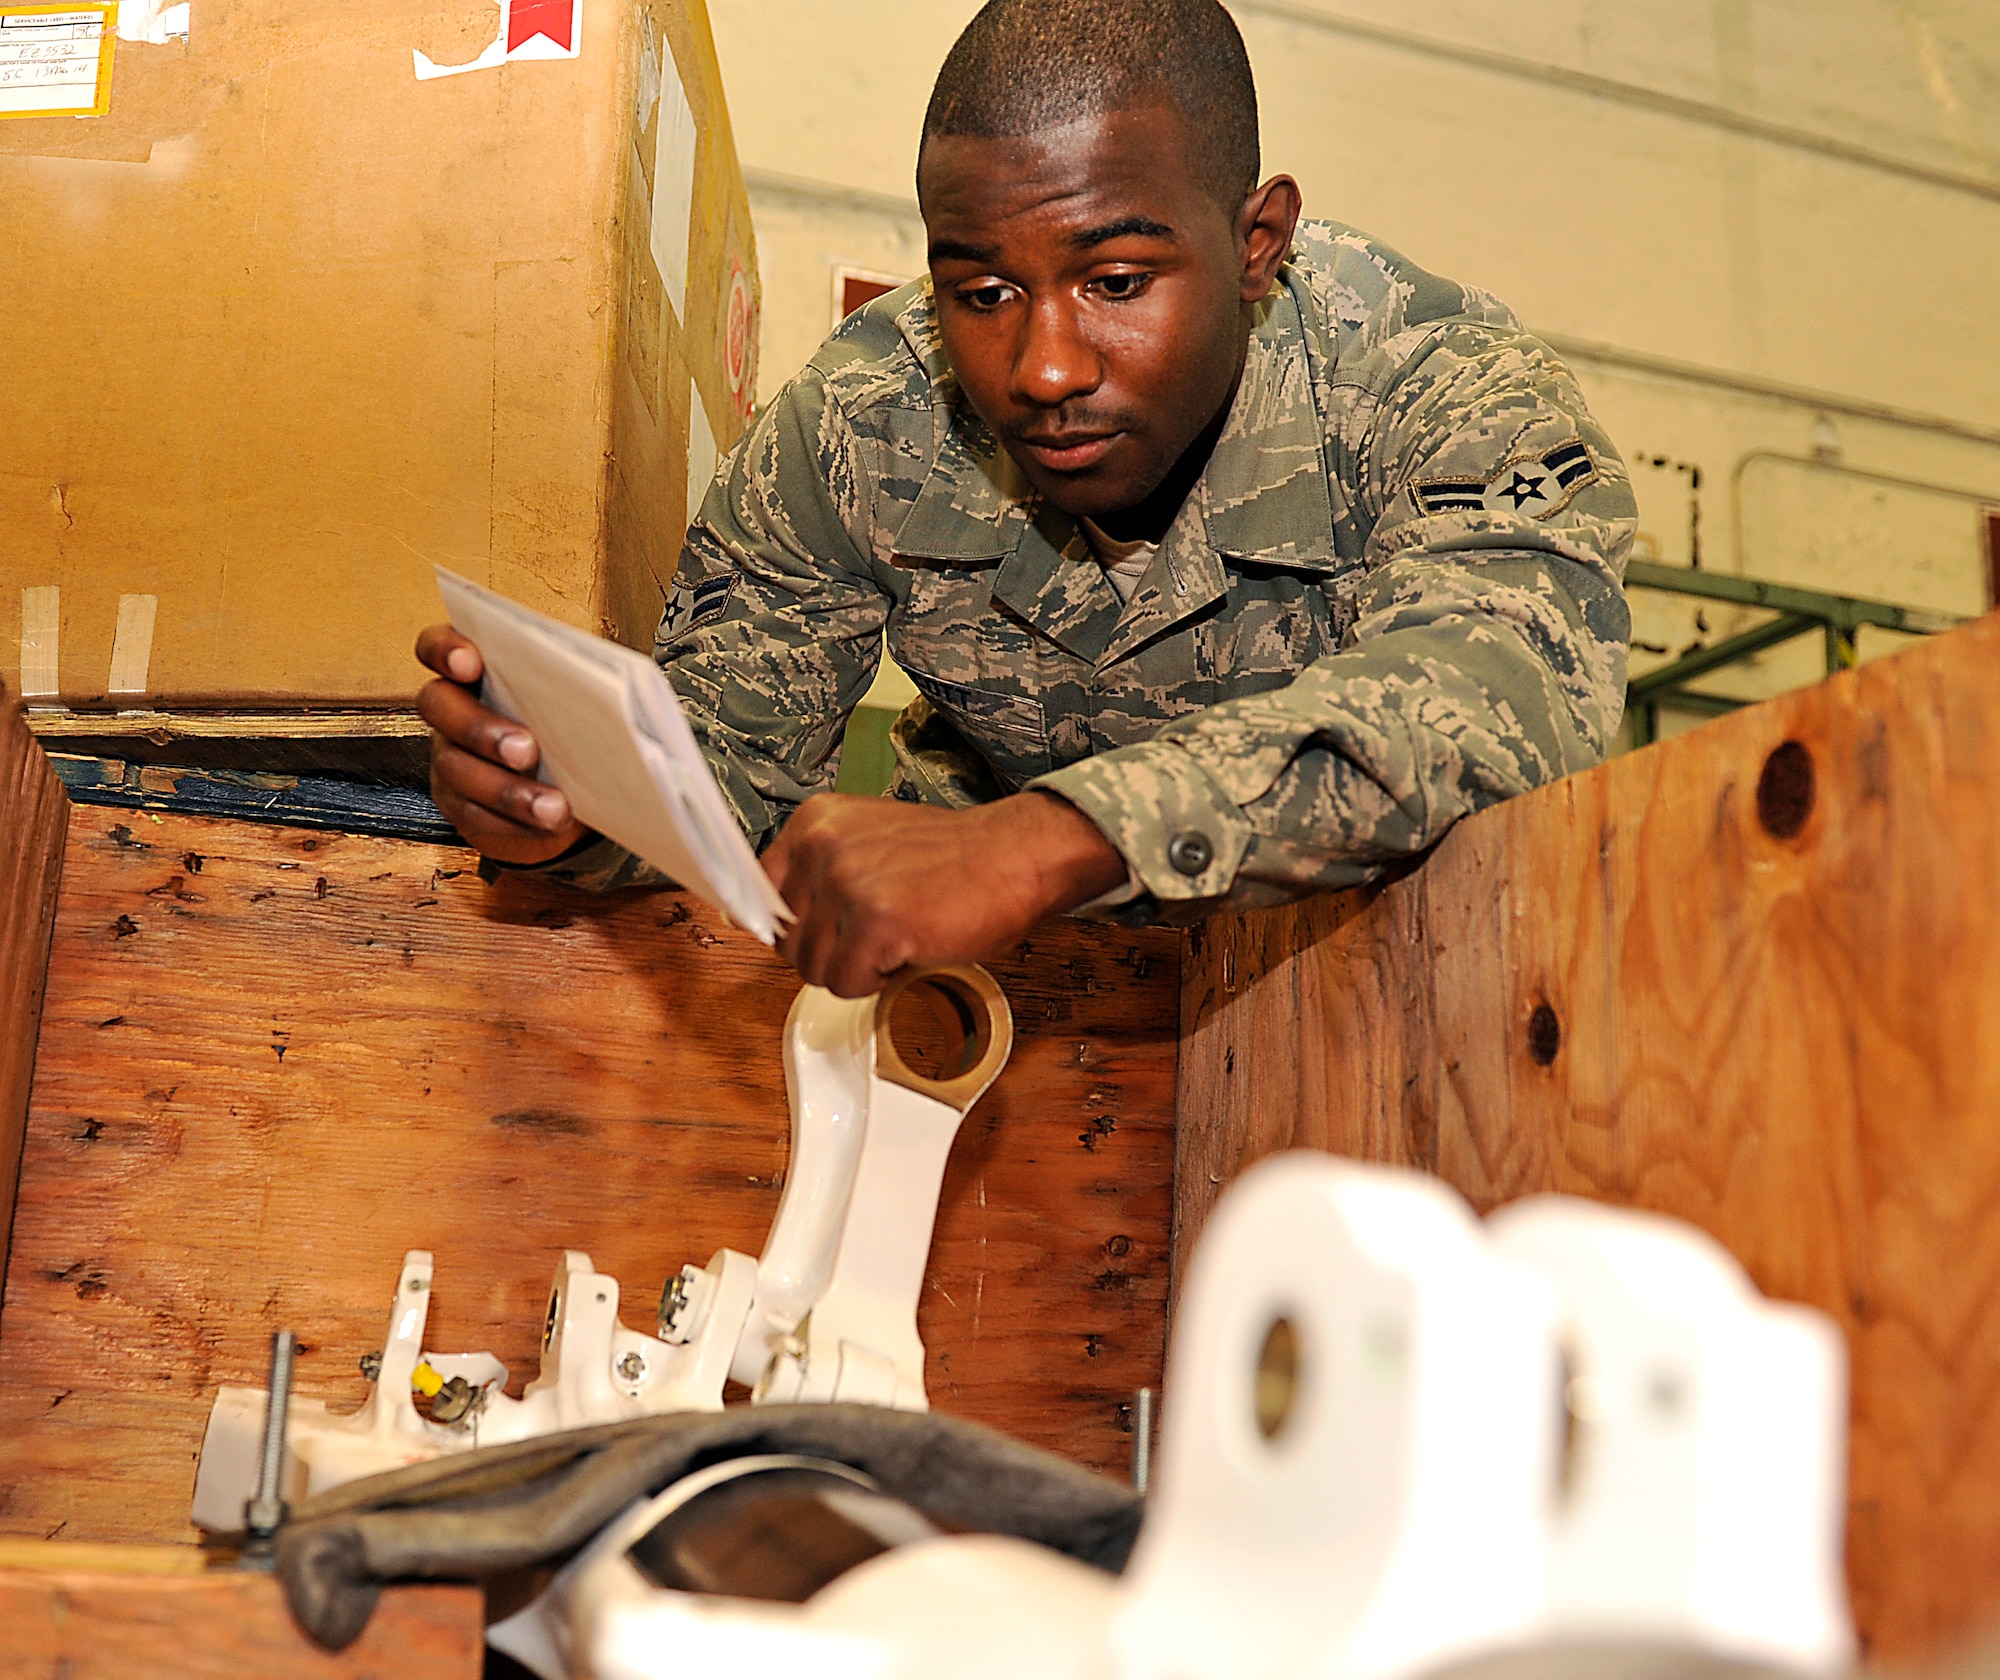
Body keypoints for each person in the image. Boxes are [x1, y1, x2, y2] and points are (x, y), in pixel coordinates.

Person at [417, 0, 1636, 999]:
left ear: (1258, 239)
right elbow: (727, 754)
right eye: (982, 292)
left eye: (1114, 279)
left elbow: (1505, 690)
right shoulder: (866, 417)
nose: (1043, 366)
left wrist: (1040, 838)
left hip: (1355, 993)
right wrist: (573, 810)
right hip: (995, 1004)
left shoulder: (1437, 384)